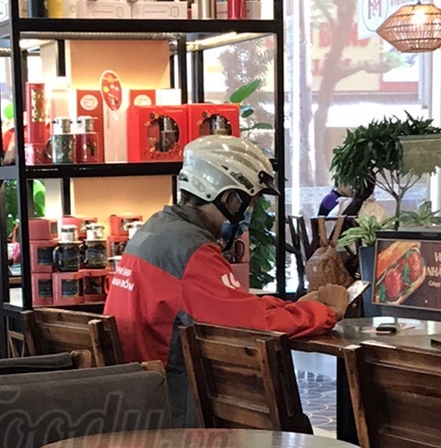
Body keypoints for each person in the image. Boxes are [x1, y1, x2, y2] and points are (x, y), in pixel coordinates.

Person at [107, 135, 348, 423]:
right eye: (250, 202)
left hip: (139, 398)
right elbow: (253, 325)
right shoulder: (191, 249)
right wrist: (326, 312)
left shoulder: (155, 230)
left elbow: (229, 305)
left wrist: (294, 307)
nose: (249, 213)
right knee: (291, 420)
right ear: (229, 198)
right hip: (173, 410)